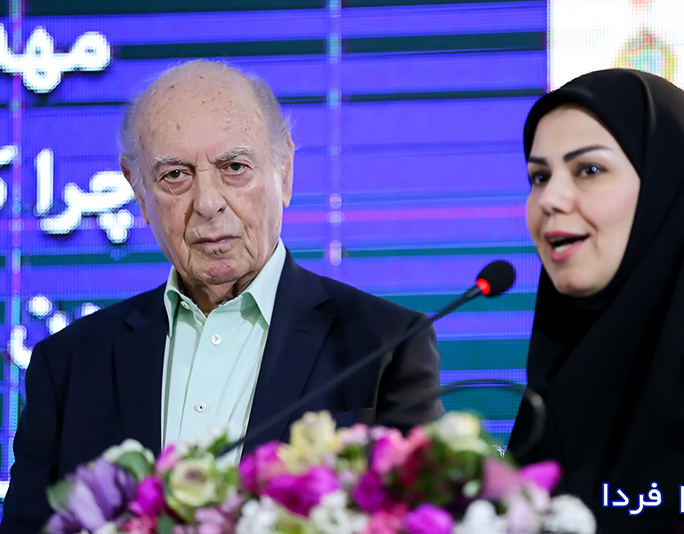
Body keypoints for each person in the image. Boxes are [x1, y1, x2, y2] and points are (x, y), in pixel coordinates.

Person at [0, 60, 443, 533]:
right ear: (138, 191)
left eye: (234, 168)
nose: (208, 203)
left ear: (285, 170)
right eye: (175, 175)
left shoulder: (385, 345)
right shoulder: (67, 365)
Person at [507, 68, 684, 533]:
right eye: (539, 176)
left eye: (589, 170)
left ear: (665, 183)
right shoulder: (560, 366)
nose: (550, 199)